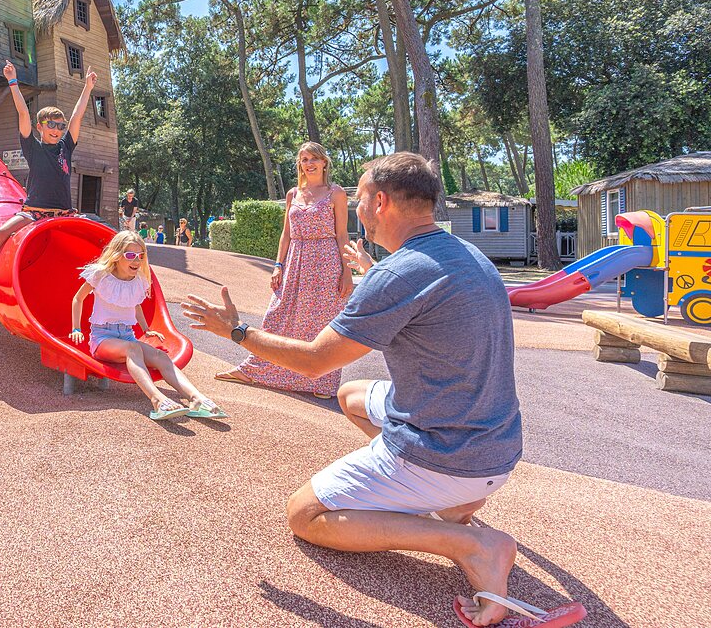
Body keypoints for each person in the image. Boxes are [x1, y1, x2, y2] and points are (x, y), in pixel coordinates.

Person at [181, 153, 585, 628]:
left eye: (358, 198)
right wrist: (373, 271)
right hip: (498, 445)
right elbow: (417, 295)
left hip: (449, 454)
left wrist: (237, 332)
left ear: (381, 201)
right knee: (351, 394)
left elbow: (314, 362)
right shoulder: (462, 253)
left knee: (304, 514)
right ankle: (442, 504)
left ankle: (473, 544)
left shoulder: (398, 275)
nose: (355, 206)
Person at [0, 59, 97, 320]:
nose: (57, 129)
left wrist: (87, 87)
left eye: (60, 126)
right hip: (34, 212)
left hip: (64, 214)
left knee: (100, 235)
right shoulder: (34, 147)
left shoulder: (66, 147)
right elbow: (22, 114)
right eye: (51, 125)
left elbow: (78, 115)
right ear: (40, 127)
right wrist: (13, 81)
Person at [216, 142, 352, 397]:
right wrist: (278, 265)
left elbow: (342, 235)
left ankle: (322, 383)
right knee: (279, 315)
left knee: (322, 321)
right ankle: (252, 370)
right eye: (303, 159)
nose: (309, 163)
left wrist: (347, 272)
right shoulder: (292, 195)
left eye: (313, 158)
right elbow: (286, 235)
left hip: (325, 262)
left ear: (324, 162)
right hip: (294, 261)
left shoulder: (336, 193)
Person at [70, 231, 227, 421]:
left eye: (140, 255)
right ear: (117, 256)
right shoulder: (100, 275)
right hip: (103, 339)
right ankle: (158, 401)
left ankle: (197, 399)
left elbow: (135, 306)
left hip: (127, 336)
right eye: (130, 255)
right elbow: (78, 299)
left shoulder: (139, 281)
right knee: (133, 348)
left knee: (161, 356)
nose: (136, 260)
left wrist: (146, 329)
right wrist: (76, 328)